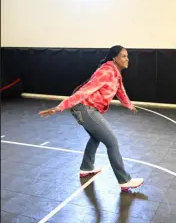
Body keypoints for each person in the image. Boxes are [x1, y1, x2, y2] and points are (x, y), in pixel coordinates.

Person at [39, 45, 144, 191]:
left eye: (127, 56)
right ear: (115, 58)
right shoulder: (106, 71)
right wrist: (60, 107)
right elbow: (85, 90)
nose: (127, 59)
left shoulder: (116, 73)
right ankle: (124, 180)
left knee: (96, 138)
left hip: (88, 109)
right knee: (112, 142)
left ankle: (86, 168)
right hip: (84, 108)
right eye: (124, 56)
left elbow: (120, 92)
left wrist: (129, 105)